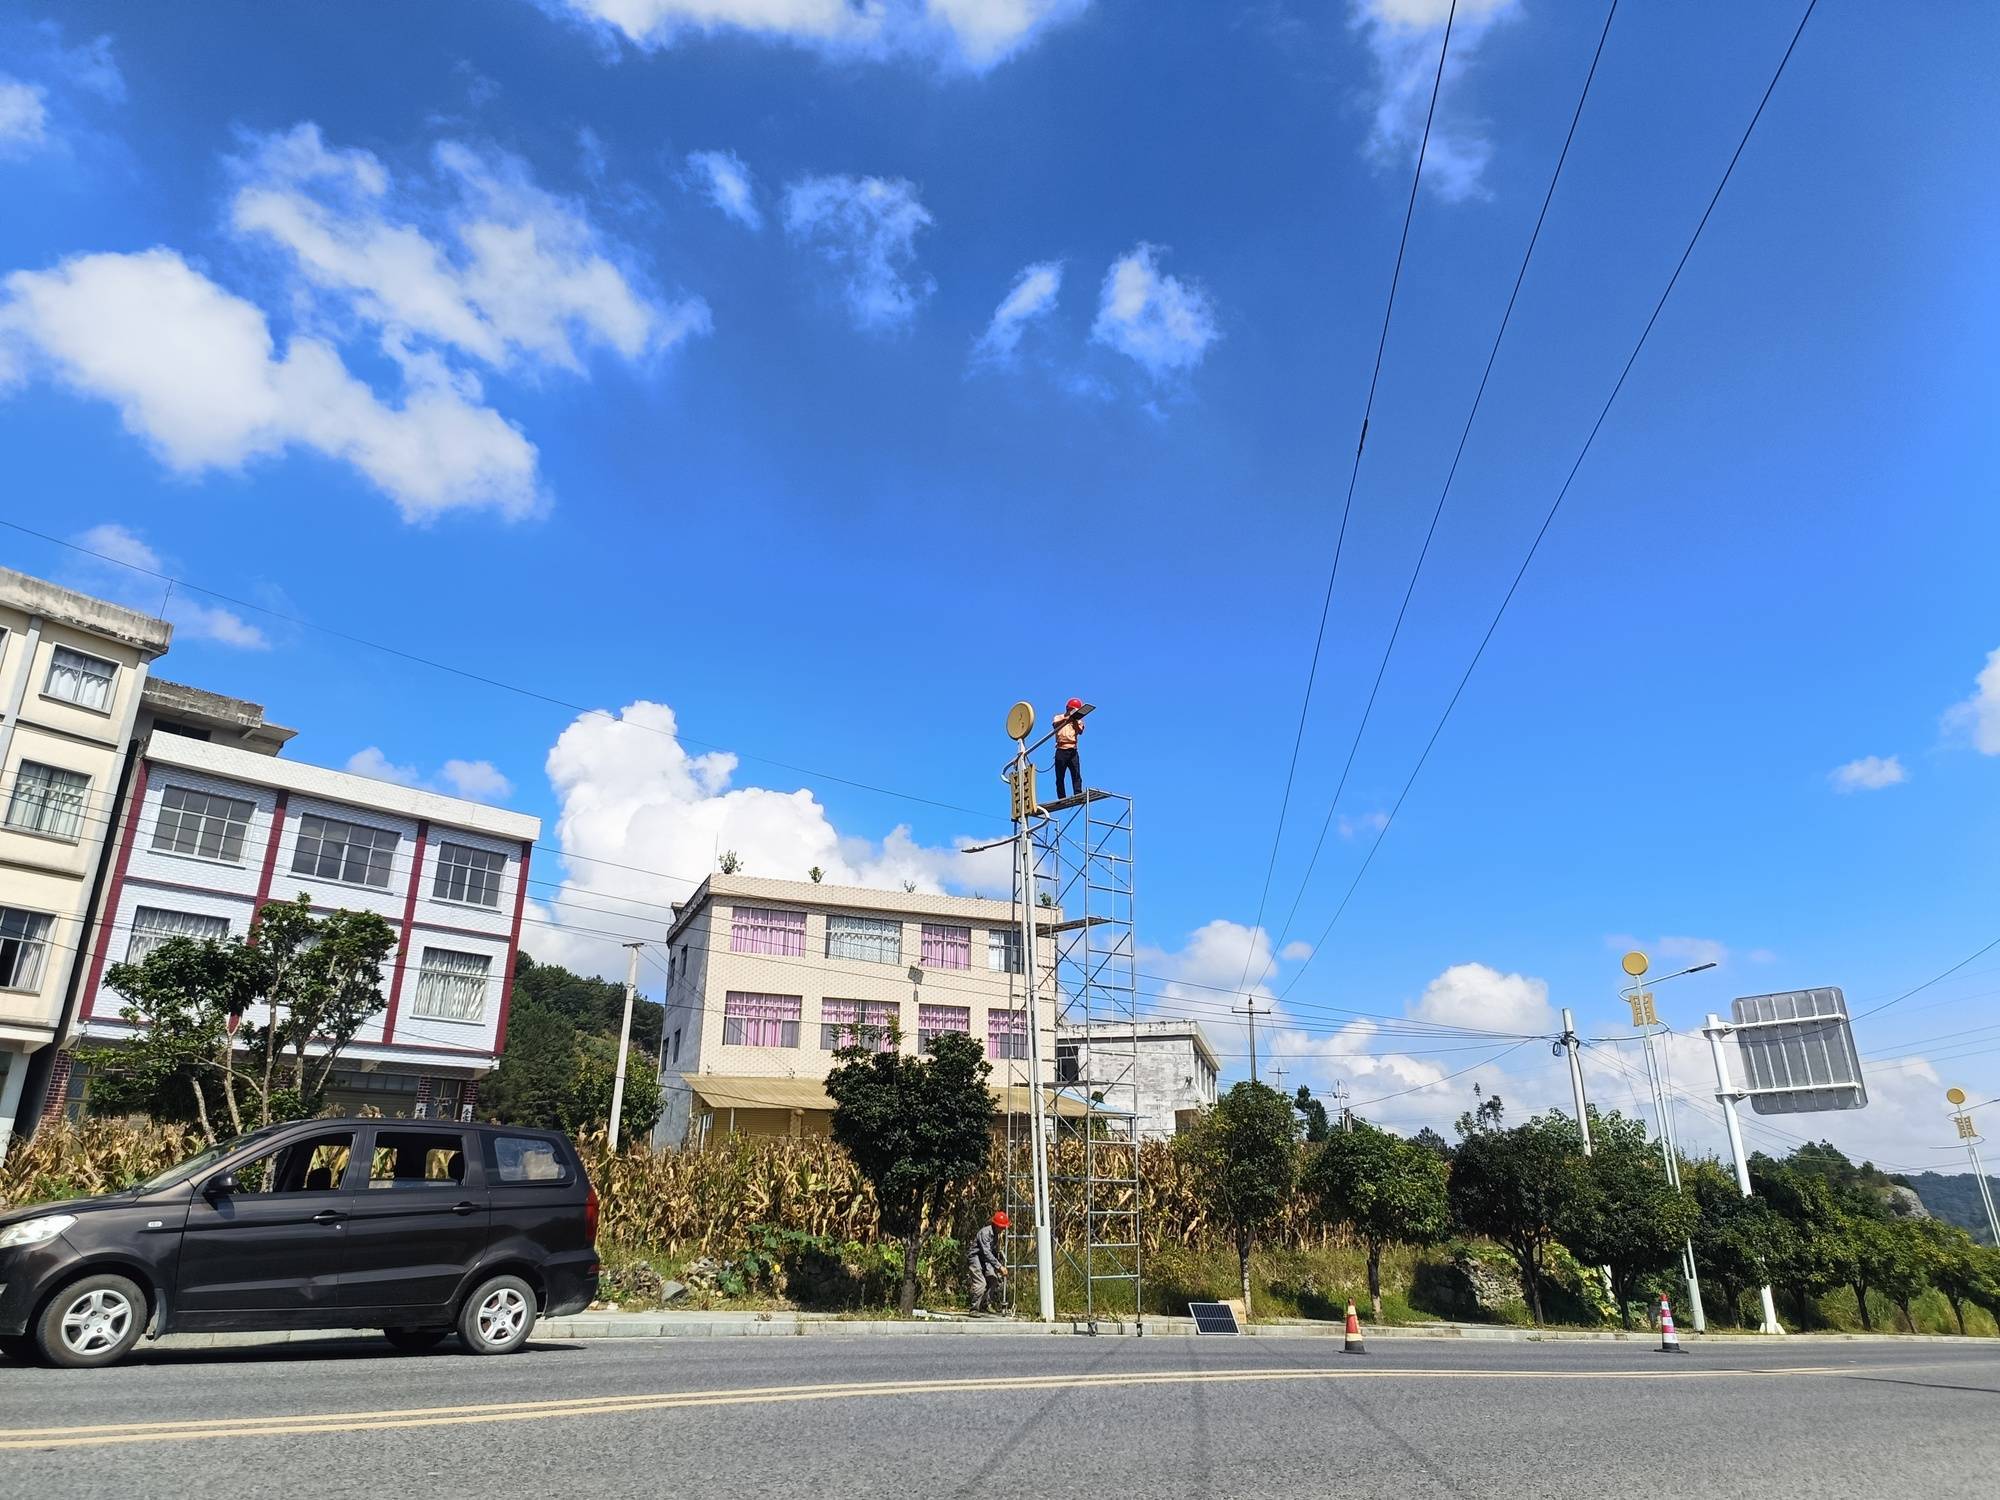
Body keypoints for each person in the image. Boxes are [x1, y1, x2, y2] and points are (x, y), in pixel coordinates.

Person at [968, 1210, 1009, 1314]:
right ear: (996, 1225)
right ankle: (974, 1308)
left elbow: (991, 1252)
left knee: (993, 1279)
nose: (1003, 1229)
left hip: (985, 1260)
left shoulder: (995, 1235)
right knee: (981, 1283)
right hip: (976, 1257)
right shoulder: (985, 1233)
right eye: (1002, 1227)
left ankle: (985, 1304)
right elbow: (986, 1252)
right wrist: (999, 1267)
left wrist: (997, 1263)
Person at [1052, 698, 1085, 799]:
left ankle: (1078, 794)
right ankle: (1061, 797)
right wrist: (1067, 719)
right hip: (1061, 749)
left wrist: (1074, 720)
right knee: (1060, 776)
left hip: (1072, 750)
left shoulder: (1078, 721)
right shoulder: (1059, 717)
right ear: (1068, 708)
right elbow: (1055, 725)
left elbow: (1080, 731)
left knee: (1076, 774)